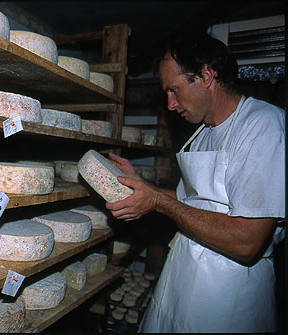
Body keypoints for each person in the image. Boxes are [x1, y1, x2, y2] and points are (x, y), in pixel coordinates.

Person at [106, 32, 285, 333]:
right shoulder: (201, 134)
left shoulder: (262, 125)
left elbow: (247, 241)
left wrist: (159, 202)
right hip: (182, 278)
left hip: (228, 294)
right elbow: (186, 203)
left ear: (206, 76)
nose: (171, 105)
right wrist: (143, 187)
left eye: (174, 90)